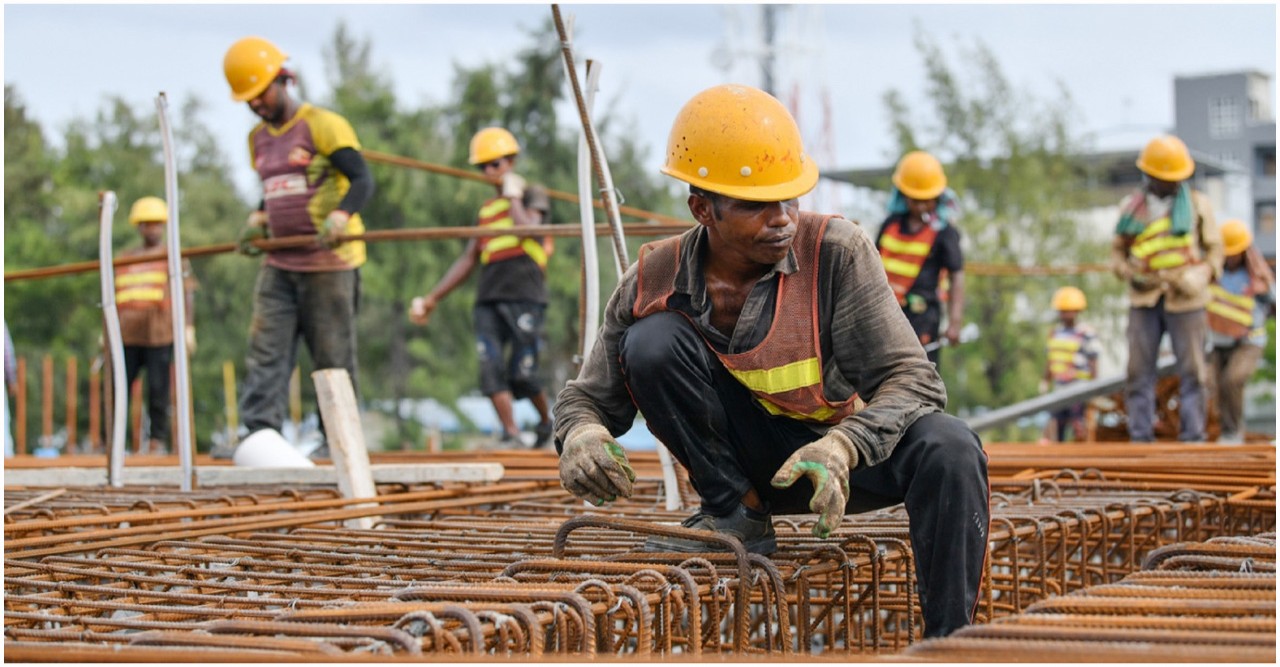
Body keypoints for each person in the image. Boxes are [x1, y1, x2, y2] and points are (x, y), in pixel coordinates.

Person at [552, 84, 989, 638]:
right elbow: (587, 396)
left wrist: (844, 445)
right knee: (651, 341)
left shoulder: (836, 253)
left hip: (832, 467)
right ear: (702, 208)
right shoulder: (654, 279)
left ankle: (949, 642)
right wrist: (582, 435)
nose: (781, 219)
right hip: (743, 468)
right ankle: (738, 513)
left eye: (790, 200)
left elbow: (914, 382)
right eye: (757, 206)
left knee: (951, 447)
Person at [223, 36, 374, 452]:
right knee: (265, 350)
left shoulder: (323, 125)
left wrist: (341, 215)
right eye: (248, 100)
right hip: (281, 264)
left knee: (332, 355)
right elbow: (274, 190)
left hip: (330, 263)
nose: (257, 105)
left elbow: (362, 180)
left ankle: (338, 440)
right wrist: (257, 220)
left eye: (261, 95)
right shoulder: (258, 140)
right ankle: (259, 436)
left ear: (283, 80)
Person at [409, 127, 554, 448]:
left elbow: (527, 230)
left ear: (511, 161)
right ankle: (511, 433)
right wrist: (432, 299)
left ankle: (547, 422)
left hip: (524, 295)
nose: (489, 171)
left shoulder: (532, 194)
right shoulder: (486, 210)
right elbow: (467, 259)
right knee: (490, 369)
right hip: (489, 298)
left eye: (496, 163)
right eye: (483, 166)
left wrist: (513, 194)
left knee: (523, 373)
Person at [1111, 135, 1223, 442]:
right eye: (1165, 179)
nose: (1172, 184)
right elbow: (1118, 251)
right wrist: (1125, 270)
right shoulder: (1131, 208)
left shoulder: (1199, 206)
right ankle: (1140, 437)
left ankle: (1193, 437)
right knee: (1138, 372)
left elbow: (1215, 252)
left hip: (1186, 300)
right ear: (1151, 176)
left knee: (1193, 373)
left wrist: (1201, 274)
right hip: (1144, 298)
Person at [115, 196, 197, 455]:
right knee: (118, 388)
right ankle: (113, 441)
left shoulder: (172, 256)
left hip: (159, 333)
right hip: (126, 333)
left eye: (156, 224)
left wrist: (188, 328)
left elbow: (186, 294)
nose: (152, 229)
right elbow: (113, 297)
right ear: (139, 227)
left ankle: (156, 441)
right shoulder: (125, 258)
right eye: (147, 224)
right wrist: (105, 331)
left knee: (158, 389)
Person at [874, 150, 965, 366]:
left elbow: (957, 276)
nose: (921, 206)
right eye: (915, 200)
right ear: (903, 195)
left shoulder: (944, 233)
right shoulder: (891, 225)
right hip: (885, 314)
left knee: (921, 371)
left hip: (923, 318)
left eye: (927, 201)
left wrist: (954, 322)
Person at [1205, 220, 1274, 443]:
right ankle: (1227, 430)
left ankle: (1233, 432)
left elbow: (1271, 302)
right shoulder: (1213, 273)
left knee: (1233, 380)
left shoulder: (1257, 274)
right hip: (1218, 340)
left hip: (1249, 340)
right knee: (1216, 385)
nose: (1231, 257)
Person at [1039, 286, 1099, 443]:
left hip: (1079, 390)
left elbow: (1093, 361)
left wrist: (1094, 388)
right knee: (1055, 428)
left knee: (1079, 428)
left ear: (1078, 311)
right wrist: (1045, 381)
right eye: (1063, 311)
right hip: (1060, 390)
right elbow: (1050, 360)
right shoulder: (1055, 334)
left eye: (1069, 310)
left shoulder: (1086, 333)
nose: (1065, 315)